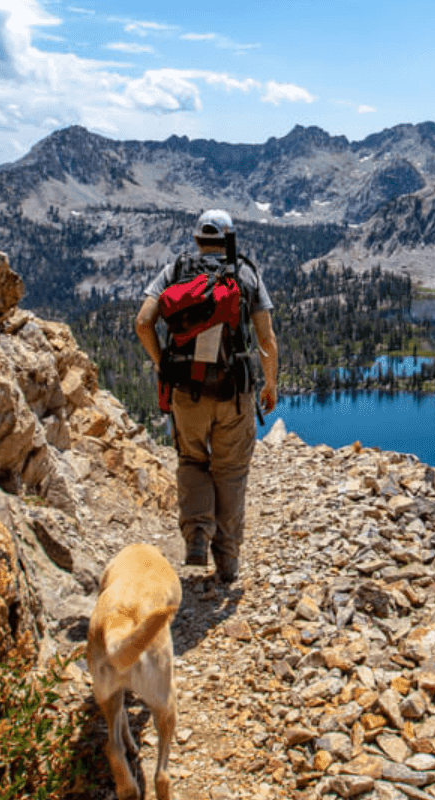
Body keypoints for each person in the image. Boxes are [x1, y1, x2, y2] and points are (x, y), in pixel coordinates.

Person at [135, 209, 279, 584]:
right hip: (233, 393)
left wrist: (161, 363)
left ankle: (197, 533)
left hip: (185, 390)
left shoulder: (175, 271)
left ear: (198, 239)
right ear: (230, 238)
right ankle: (228, 562)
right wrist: (270, 384)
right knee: (230, 472)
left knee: (192, 460)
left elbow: (142, 322)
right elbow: (266, 339)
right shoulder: (245, 273)